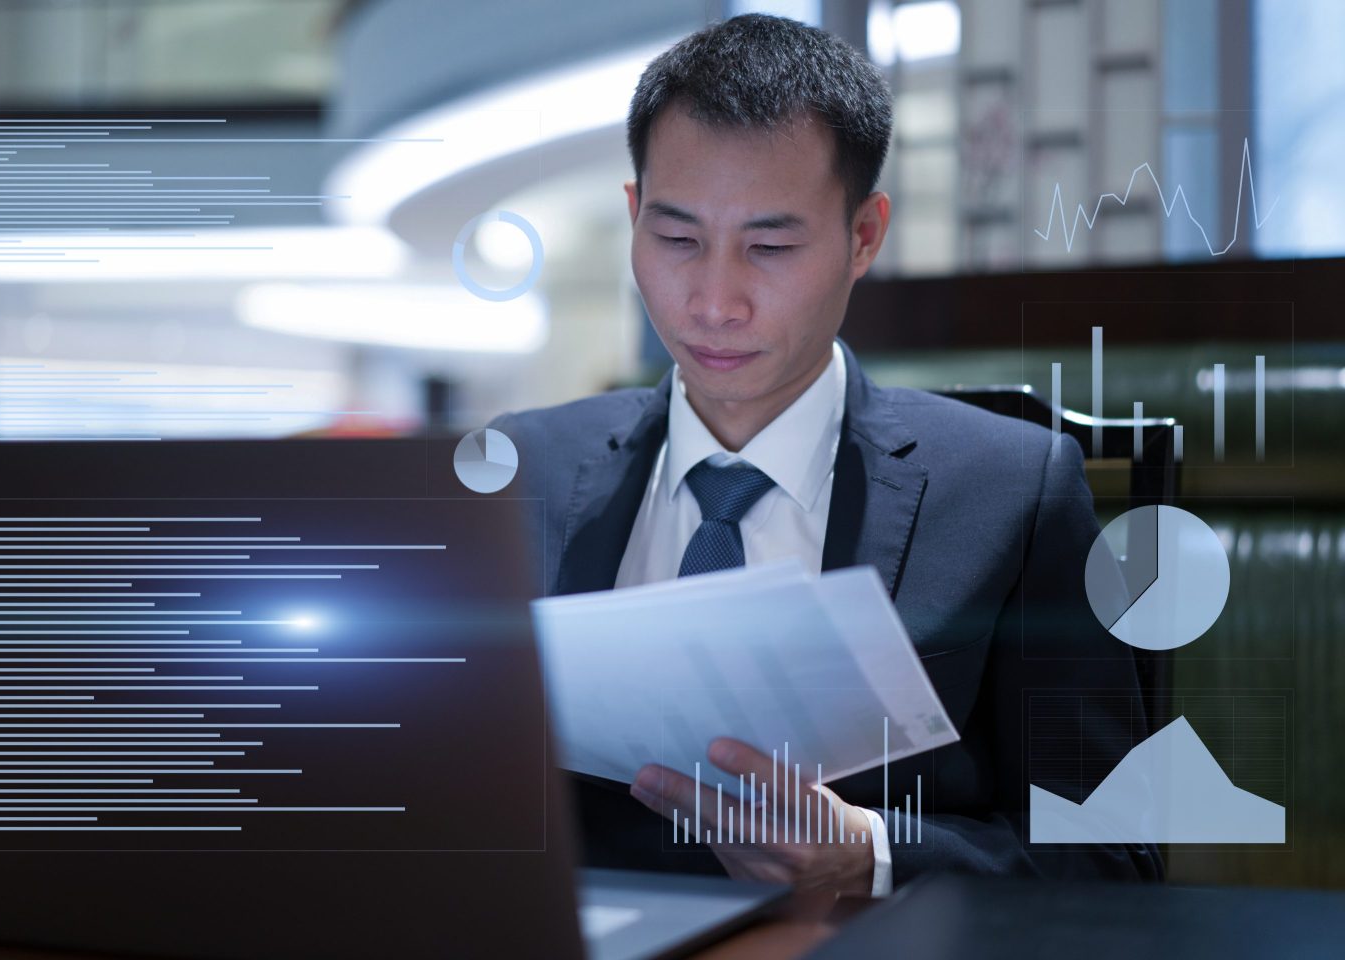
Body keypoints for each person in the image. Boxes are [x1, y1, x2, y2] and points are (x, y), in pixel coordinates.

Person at [491, 14, 1161, 894]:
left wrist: (871, 856)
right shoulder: (515, 470)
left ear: (863, 237)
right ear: (631, 216)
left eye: (770, 246)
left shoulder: (1010, 492)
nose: (715, 301)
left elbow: (1116, 859)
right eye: (676, 238)